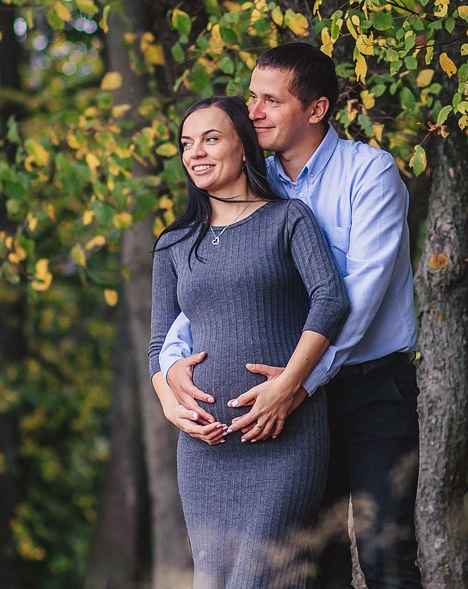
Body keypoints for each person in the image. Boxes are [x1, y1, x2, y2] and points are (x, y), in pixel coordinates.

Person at [159, 44, 423, 589]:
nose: (253, 111)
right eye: (252, 97)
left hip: (368, 388)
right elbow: (215, 291)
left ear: (317, 108)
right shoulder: (259, 184)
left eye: (270, 101)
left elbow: (356, 296)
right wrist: (169, 366)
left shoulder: (367, 173)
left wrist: (298, 382)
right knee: (310, 563)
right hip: (287, 407)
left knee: (385, 553)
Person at [148, 95, 349, 589]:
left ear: (243, 146)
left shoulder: (287, 218)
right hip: (205, 446)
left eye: (210, 138)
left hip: (283, 434)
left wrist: (291, 384)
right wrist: (171, 405)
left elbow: (330, 300)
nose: (195, 152)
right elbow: (158, 344)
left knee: (261, 579)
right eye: (186, 143)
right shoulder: (174, 243)